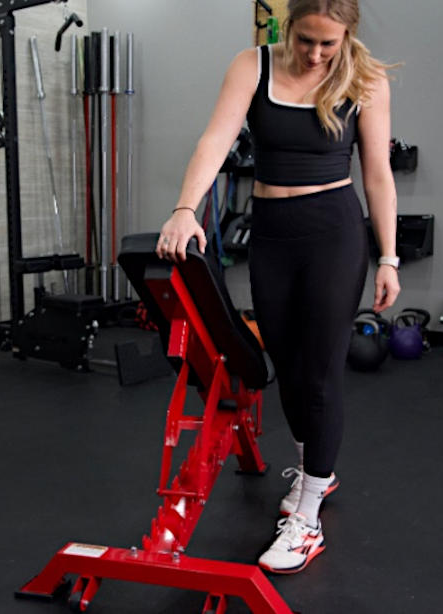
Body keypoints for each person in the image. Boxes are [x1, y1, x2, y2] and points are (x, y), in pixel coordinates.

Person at [155, 0, 400, 574]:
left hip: (333, 234)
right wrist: (185, 207)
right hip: (272, 235)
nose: (316, 54)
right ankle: (318, 468)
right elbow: (214, 140)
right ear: (287, 27)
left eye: (328, 44)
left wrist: (388, 257)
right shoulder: (252, 66)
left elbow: (378, 173)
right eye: (307, 40)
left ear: (346, 37)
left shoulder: (365, 77)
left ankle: (308, 516)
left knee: (319, 371)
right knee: (286, 369)